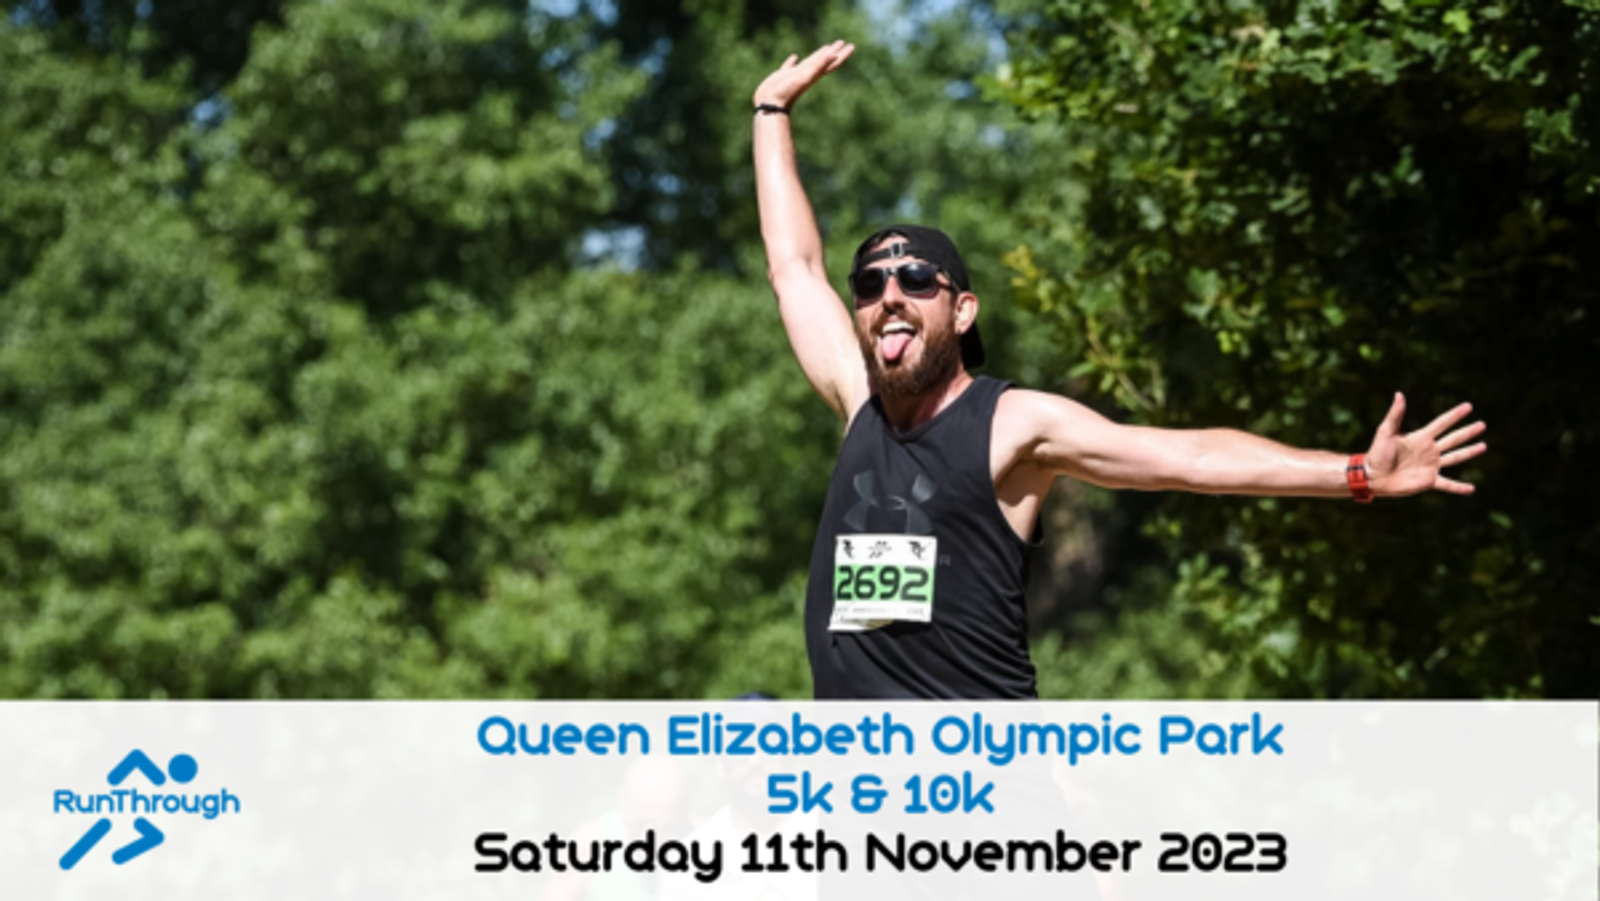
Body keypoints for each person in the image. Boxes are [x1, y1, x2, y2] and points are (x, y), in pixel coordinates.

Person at [752, 41, 1489, 700]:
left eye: (916, 280)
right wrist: (770, 109)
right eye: (871, 285)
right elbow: (794, 265)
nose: (889, 296)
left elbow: (1191, 457)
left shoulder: (1011, 424)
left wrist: (1356, 472)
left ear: (964, 311)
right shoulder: (860, 407)